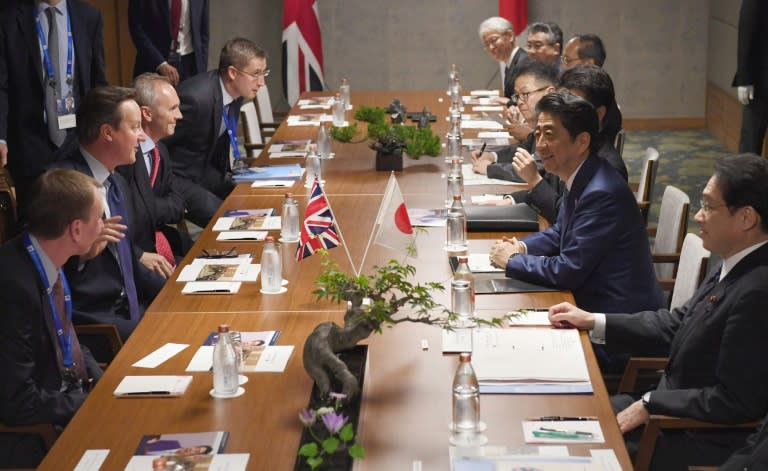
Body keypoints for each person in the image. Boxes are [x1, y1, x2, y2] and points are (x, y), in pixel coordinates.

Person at [548, 154, 768, 470]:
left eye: (708, 206)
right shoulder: (730, 261)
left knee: (564, 454)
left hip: (686, 434)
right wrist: (593, 321)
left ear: (746, 218)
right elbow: (676, 324)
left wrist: (652, 404)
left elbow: (734, 401)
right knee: (559, 419)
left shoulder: (757, 291)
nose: (699, 217)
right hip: (661, 409)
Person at [489, 92, 662, 316]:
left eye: (550, 135)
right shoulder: (582, 173)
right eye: (538, 134)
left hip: (613, 318)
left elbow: (568, 270)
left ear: (582, 142)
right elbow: (561, 230)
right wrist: (522, 247)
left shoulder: (601, 193)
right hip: (588, 301)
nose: (540, 145)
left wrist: (513, 260)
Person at [0, 169, 104, 467]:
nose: (102, 226)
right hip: (35, 436)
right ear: (75, 229)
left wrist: (104, 384)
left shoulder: (48, 260)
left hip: (64, 402)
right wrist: (89, 403)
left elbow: (67, 341)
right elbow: (18, 402)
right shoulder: (13, 288)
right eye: (98, 219)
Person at [53, 86, 162, 344]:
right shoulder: (61, 186)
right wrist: (81, 254)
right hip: (94, 323)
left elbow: (128, 262)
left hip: (131, 310)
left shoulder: (117, 182)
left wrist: (177, 291)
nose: (142, 137)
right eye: (135, 127)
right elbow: (42, 269)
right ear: (107, 133)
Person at [0, 0, 107, 213]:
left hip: (78, 139)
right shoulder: (8, 18)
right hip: (29, 141)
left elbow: (98, 82)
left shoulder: (88, 17)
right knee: (36, 219)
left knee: (81, 217)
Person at [164, 37, 268, 227]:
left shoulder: (236, 93)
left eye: (264, 73)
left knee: (251, 198)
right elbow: (158, 142)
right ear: (232, 73)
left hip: (204, 169)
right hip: (175, 176)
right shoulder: (195, 99)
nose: (261, 82)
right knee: (230, 221)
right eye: (256, 74)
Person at [117, 73, 188, 280]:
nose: (180, 116)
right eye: (173, 108)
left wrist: (146, 208)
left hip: (160, 238)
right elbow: (127, 215)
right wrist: (151, 209)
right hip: (136, 251)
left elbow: (177, 204)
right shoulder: (125, 156)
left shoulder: (161, 152)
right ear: (147, 114)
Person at [471, 60, 558, 181]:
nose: (519, 102)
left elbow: (535, 168)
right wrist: (492, 156)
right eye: (517, 96)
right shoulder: (541, 124)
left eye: (525, 94)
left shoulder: (557, 125)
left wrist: (490, 169)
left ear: (549, 93)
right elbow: (524, 150)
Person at [128, 0, 210, 85]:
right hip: (153, 65)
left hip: (190, 65)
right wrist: (160, 64)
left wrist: (202, 70)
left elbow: (203, 34)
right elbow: (137, 29)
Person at [732, 0, 768, 155]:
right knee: (751, 144)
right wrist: (745, 78)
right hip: (760, 81)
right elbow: (747, 28)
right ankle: (746, 180)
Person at [477, 16, 528, 100]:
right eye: (486, 44)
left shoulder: (524, 62)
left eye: (493, 40)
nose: (491, 47)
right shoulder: (511, 62)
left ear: (510, 36)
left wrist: (507, 102)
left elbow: (526, 98)